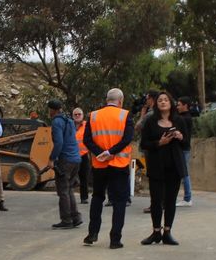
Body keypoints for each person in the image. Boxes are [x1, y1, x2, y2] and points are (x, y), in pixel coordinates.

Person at [82, 88, 134, 249]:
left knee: (97, 197)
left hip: (99, 164)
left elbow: (87, 140)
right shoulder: (125, 115)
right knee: (119, 201)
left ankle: (92, 233)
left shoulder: (93, 116)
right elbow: (127, 139)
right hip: (119, 164)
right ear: (121, 101)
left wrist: (101, 153)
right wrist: (111, 152)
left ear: (107, 100)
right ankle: (115, 240)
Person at [139, 92, 187, 245]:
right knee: (156, 200)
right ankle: (156, 232)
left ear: (170, 103)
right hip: (156, 165)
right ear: (156, 104)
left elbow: (186, 144)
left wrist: (180, 137)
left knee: (171, 200)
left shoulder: (179, 120)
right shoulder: (150, 121)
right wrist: (160, 143)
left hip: (174, 165)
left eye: (166, 100)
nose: (163, 102)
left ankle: (167, 232)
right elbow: (144, 144)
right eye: (160, 100)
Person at [48, 99, 83, 228]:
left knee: (63, 191)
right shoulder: (69, 120)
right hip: (76, 159)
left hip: (66, 160)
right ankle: (76, 217)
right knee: (69, 189)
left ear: (52, 110)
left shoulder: (57, 122)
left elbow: (59, 143)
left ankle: (67, 220)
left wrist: (52, 158)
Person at [176, 96, 196, 206]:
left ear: (185, 106)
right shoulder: (184, 117)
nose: (177, 107)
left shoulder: (185, 118)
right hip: (183, 148)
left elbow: (185, 136)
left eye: (179, 105)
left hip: (183, 149)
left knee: (184, 173)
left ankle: (187, 198)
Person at [72, 107, 90, 203]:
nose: (77, 116)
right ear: (73, 116)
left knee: (84, 177)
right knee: (69, 177)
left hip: (84, 155)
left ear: (82, 115)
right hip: (71, 155)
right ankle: (68, 197)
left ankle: (84, 198)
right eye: (75, 114)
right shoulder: (69, 125)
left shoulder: (87, 125)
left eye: (79, 114)